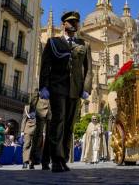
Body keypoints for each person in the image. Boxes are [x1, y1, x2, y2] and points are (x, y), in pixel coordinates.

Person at [39, 11, 92, 172]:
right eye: (71, 21)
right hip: (57, 87)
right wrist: (44, 86)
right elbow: (45, 65)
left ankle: (62, 158)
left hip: (75, 90)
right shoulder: (53, 42)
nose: (74, 24)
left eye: (76, 21)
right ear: (64, 24)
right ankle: (56, 159)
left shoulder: (84, 44)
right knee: (58, 122)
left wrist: (86, 89)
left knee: (69, 125)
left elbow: (88, 69)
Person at [20, 98, 37, 169]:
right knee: (26, 145)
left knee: (34, 147)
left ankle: (31, 162)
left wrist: (43, 131)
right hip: (28, 128)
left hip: (37, 128)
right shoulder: (27, 108)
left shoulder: (40, 108)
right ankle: (25, 162)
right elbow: (24, 119)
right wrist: (22, 131)